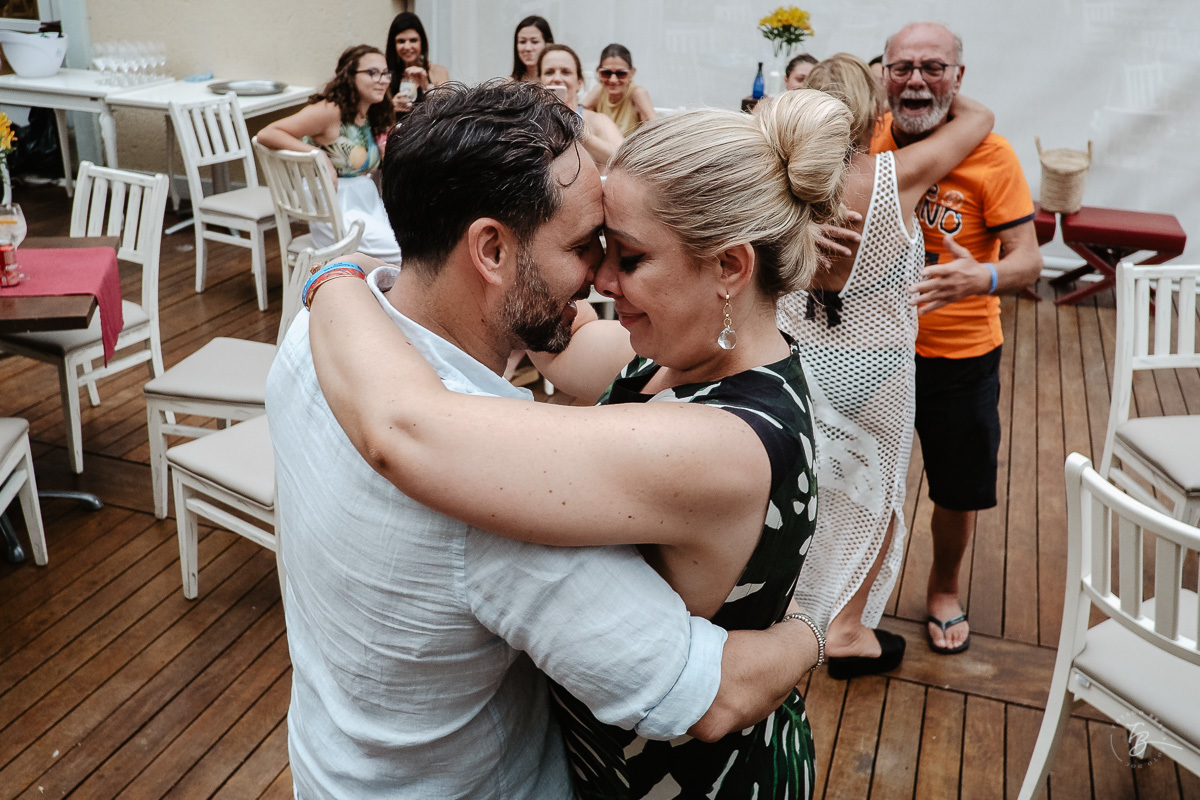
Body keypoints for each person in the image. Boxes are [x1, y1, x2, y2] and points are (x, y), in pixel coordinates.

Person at [269, 80, 827, 799]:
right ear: (492, 250)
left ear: (728, 267)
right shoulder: (500, 502)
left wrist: (335, 276)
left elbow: (425, 412)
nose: (597, 277)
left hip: (337, 761)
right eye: (589, 247)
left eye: (624, 255)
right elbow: (705, 690)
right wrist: (814, 627)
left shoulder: (319, 345)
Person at [777, 53, 993, 678]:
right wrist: (929, 92)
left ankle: (793, 607)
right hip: (877, 363)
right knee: (874, 493)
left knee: (807, 482)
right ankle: (845, 630)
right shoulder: (895, 173)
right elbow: (981, 117)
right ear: (872, 115)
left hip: (802, 356)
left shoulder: (776, 178)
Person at [871, 22, 1042, 654]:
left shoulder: (992, 155)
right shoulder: (869, 139)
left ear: (959, 79)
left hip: (960, 355)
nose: (916, 80)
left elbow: (1030, 262)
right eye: (903, 67)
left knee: (955, 487)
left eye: (933, 68)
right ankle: (851, 592)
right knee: (862, 475)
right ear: (883, 73)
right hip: (877, 348)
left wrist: (983, 275)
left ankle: (943, 588)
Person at [256, 44, 402, 265]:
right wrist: (318, 156)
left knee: (418, 242)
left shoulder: (372, 112)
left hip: (368, 206)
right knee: (404, 253)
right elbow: (268, 133)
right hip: (335, 214)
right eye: (372, 72)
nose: (382, 79)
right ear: (350, 76)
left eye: (385, 73)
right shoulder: (330, 111)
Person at [539, 43, 623, 169]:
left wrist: (580, 132)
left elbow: (625, 160)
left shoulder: (597, 121)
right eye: (549, 72)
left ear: (579, 82)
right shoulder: (527, 122)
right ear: (539, 81)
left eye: (566, 72)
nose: (557, 78)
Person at [581, 43, 656, 136]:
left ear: (632, 73)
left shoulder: (637, 93)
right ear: (598, 72)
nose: (613, 80)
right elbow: (578, 117)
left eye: (621, 74)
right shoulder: (599, 90)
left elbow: (655, 130)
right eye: (606, 73)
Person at [385, 11, 449, 115]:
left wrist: (426, 87)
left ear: (422, 42)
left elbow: (446, 110)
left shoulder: (438, 71)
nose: (407, 47)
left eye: (413, 40)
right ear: (393, 44)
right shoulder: (385, 74)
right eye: (401, 41)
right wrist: (391, 107)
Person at [510, 14, 553, 82]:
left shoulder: (556, 81)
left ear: (548, 43)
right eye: (522, 42)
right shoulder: (508, 85)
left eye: (535, 42)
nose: (528, 48)